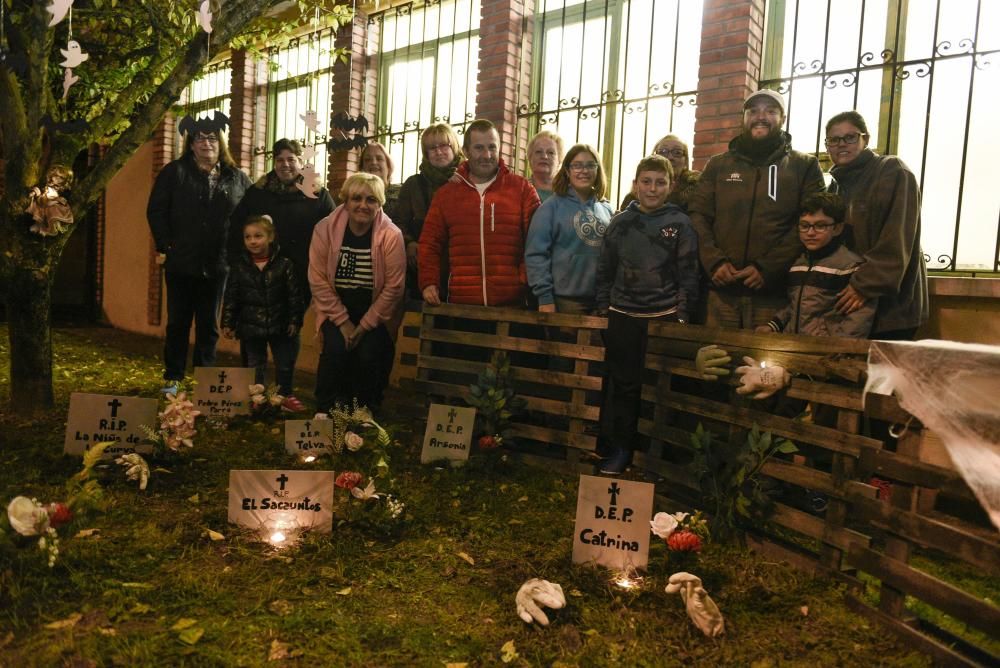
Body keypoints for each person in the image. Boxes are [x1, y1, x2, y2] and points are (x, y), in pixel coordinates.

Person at [595, 154, 700, 474]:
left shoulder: (680, 224)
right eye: (646, 182)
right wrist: (604, 309)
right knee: (624, 387)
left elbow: (689, 275)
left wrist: (681, 317)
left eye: (660, 182)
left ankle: (657, 457)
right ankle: (622, 450)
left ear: (670, 185)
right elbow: (604, 271)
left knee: (660, 388)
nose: (653, 189)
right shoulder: (620, 223)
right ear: (636, 184)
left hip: (663, 318)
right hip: (623, 316)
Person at [689, 89, 825, 330]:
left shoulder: (804, 166)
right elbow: (698, 215)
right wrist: (714, 263)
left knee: (766, 366)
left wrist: (768, 268)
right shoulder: (718, 165)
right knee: (717, 363)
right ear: (744, 118)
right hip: (720, 295)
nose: (760, 117)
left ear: (782, 118)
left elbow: (809, 223)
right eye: (753, 111)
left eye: (770, 111)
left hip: (773, 296)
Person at [147, 124, 251, 394]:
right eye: (200, 138)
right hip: (181, 263)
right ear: (191, 144)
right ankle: (173, 377)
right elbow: (156, 210)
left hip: (218, 265)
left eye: (213, 138)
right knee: (178, 323)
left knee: (209, 325)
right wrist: (166, 245)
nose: (207, 143)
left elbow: (250, 215)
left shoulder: (237, 178)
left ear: (222, 143)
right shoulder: (174, 172)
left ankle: (205, 382)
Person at [825, 110, 928, 339]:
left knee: (885, 373)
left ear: (866, 139)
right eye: (834, 140)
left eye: (850, 137)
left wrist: (865, 285)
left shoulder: (892, 171)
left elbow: (897, 237)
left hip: (890, 308)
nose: (842, 144)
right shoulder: (836, 186)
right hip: (852, 305)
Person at [418, 118, 541, 307]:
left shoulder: (522, 189)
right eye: (479, 148)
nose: (487, 154)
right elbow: (429, 244)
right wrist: (428, 283)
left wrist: (523, 279)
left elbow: (538, 241)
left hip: (514, 305)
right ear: (466, 152)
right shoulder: (446, 195)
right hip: (462, 304)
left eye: (492, 147)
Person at [309, 173, 406, 413]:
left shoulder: (392, 235)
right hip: (336, 307)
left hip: (374, 311)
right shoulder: (324, 229)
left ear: (379, 203)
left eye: (371, 199)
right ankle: (325, 411)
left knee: (369, 354)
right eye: (356, 198)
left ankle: (364, 412)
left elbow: (394, 286)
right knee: (334, 350)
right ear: (345, 200)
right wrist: (342, 322)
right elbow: (317, 279)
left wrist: (364, 325)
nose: (363, 205)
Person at [756, 192, 875, 338]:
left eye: (820, 226)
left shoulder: (849, 266)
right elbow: (795, 305)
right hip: (794, 344)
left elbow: (859, 317)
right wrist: (773, 325)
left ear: (837, 228)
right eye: (804, 225)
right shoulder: (798, 264)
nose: (810, 232)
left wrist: (838, 346)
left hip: (827, 349)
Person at [221, 215, 304, 407]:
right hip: (251, 326)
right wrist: (228, 322)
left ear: (271, 237)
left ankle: (285, 396)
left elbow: (294, 296)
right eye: (247, 237)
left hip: (281, 324)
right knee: (255, 364)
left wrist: (295, 320)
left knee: (284, 363)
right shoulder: (239, 267)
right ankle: (257, 398)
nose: (252, 241)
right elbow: (231, 297)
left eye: (258, 236)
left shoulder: (285, 265)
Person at [525, 143, 613, 314]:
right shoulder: (550, 208)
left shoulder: (606, 209)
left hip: (601, 301)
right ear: (567, 170)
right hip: (564, 301)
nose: (584, 171)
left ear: (597, 170)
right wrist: (544, 298)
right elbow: (536, 255)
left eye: (590, 165)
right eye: (577, 165)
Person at [395, 123, 464, 299]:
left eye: (443, 145)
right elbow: (398, 222)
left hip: (460, 265)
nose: (438, 152)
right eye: (432, 148)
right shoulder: (413, 185)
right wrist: (409, 242)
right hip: (421, 265)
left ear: (454, 147)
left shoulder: (468, 181)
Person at [619, 135, 701, 213]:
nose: (670, 157)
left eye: (677, 152)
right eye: (663, 152)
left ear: (685, 161)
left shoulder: (697, 187)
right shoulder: (633, 196)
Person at [359, 142, 401, 222]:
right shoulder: (354, 196)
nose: (374, 162)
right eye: (368, 160)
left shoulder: (402, 194)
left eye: (379, 159)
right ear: (362, 168)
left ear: (388, 167)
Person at [525, 130, 564, 202]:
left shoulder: (570, 194)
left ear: (560, 160)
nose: (544, 156)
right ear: (530, 158)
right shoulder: (519, 191)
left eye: (551, 152)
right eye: (538, 152)